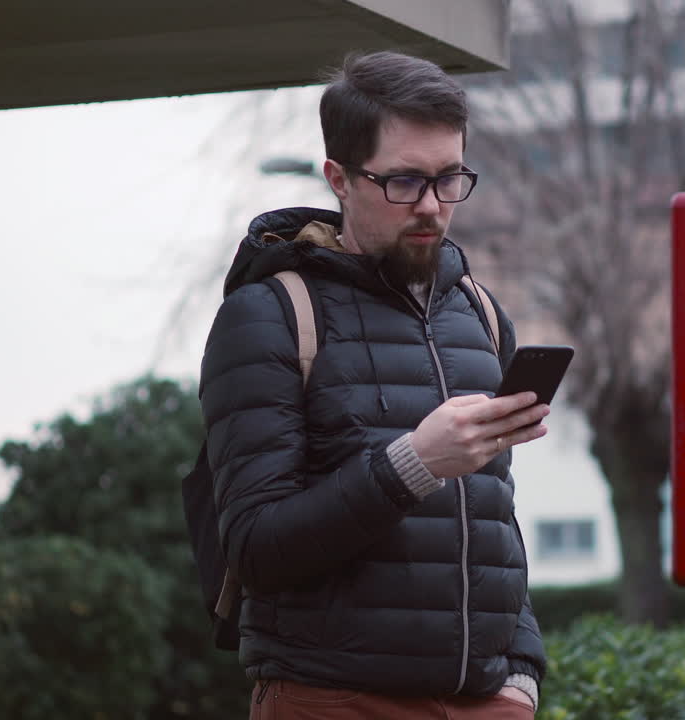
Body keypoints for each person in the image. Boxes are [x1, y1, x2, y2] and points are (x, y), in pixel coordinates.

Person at [199, 51, 548, 719]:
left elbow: (492, 517)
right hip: (334, 699)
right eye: (404, 183)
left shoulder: (477, 309)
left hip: (488, 700)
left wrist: (522, 672)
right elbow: (256, 548)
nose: (431, 207)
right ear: (339, 177)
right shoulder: (268, 317)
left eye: (450, 179)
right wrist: (414, 463)